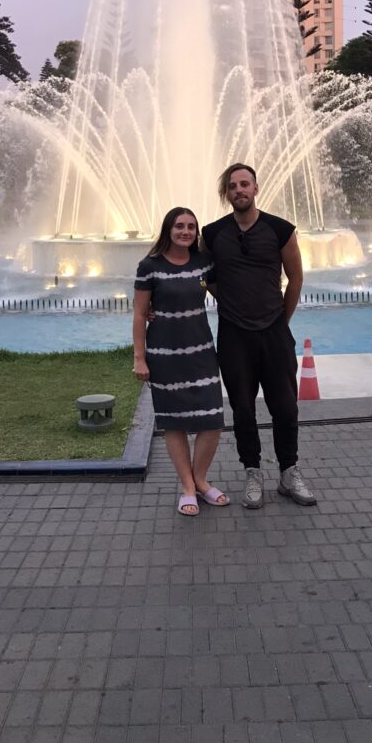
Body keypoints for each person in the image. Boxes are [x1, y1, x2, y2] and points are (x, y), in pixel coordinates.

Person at [202, 163, 316, 509]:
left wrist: (282, 318)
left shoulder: (280, 230)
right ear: (227, 193)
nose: (239, 190)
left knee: (285, 407)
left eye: (245, 184)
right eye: (233, 186)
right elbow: (207, 278)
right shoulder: (212, 233)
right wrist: (230, 302)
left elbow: (295, 278)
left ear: (255, 189)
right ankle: (253, 471)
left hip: (274, 334)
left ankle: (288, 471)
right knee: (243, 410)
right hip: (234, 336)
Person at [133, 207, 229, 516]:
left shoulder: (203, 263)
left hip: (200, 351)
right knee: (173, 423)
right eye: (179, 226)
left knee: (212, 418)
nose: (185, 231)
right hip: (164, 355)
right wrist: (139, 358)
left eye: (191, 227)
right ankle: (188, 487)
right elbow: (139, 313)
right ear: (168, 230)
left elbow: (223, 291)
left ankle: (200, 479)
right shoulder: (149, 266)